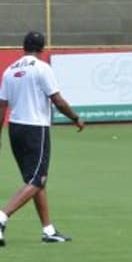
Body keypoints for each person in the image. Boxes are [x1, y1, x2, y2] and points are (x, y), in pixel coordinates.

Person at [0, 31, 85, 247]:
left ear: (23, 46)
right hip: (35, 128)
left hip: (15, 129)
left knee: (36, 180)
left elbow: (2, 106)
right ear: (42, 48)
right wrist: (75, 118)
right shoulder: (42, 68)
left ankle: (48, 230)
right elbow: (57, 99)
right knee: (38, 180)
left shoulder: (10, 70)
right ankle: (1, 217)